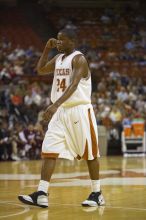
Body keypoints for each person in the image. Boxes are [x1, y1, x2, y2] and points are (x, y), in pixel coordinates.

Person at [18, 28, 105, 208]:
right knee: (49, 149)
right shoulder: (58, 58)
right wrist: (45, 48)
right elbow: (40, 70)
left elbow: (74, 85)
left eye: (61, 40)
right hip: (61, 111)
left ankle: (97, 193)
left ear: (72, 41)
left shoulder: (79, 59)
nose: (58, 43)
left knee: (90, 153)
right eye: (57, 40)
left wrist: (55, 104)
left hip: (79, 110)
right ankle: (41, 193)